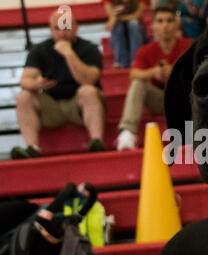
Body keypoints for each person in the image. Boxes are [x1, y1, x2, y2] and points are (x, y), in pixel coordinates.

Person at [11, 11, 105, 159]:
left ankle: (97, 141)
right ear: (50, 29)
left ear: (75, 27)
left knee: (88, 91)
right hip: (51, 108)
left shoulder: (89, 49)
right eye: (57, 28)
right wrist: (37, 84)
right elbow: (25, 80)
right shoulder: (39, 50)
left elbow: (89, 80)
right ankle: (32, 148)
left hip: (79, 106)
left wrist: (69, 55)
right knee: (24, 96)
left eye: (66, 28)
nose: (62, 33)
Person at [116, 5, 192, 150]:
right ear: (153, 26)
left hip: (185, 100)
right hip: (160, 100)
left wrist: (175, 74)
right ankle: (127, 132)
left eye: (169, 21)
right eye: (160, 21)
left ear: (177, 24)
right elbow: (133, 74)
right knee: (138, 83)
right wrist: (154, 72)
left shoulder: (189, 46)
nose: (165, 25)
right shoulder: (145, 50)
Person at [103, 0, 148, 68]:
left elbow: (137, 15)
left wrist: (117, 18)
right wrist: (113, 19)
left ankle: (136, 61)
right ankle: (120, 62)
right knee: (118, 26)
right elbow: (112, 16)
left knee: (133, 23)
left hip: (138, 34)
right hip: (119, 34)